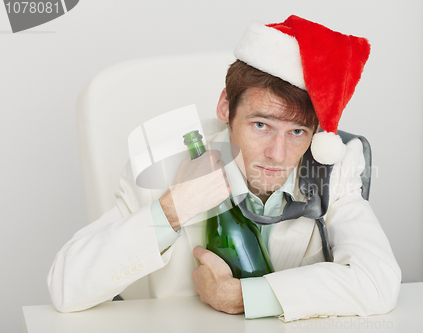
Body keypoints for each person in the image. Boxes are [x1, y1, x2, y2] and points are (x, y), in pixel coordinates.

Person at [48, 15, 401, 322]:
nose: (277, 154)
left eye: (297, 132)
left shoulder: (331, 168)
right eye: (260, 125)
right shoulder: (160, 165)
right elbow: (65, 287)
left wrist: (244, 297)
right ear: (224, 108)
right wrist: (173, 208)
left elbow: (378, 282)